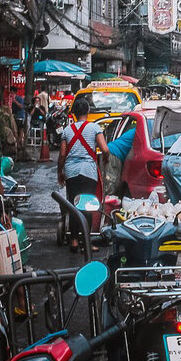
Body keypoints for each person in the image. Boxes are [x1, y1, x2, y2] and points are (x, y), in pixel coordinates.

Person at [57, 97, 111, 252]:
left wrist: (60, 172)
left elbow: (62, 155)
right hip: (88, 171)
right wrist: (105, 160)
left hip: (71, 172)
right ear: (88, 111)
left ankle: (74, 241)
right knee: (87, 205)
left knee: (73, 204)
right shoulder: (94, 128)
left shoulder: (67, 130)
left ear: (73, 113)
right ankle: (86, 242)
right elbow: (105, 149)